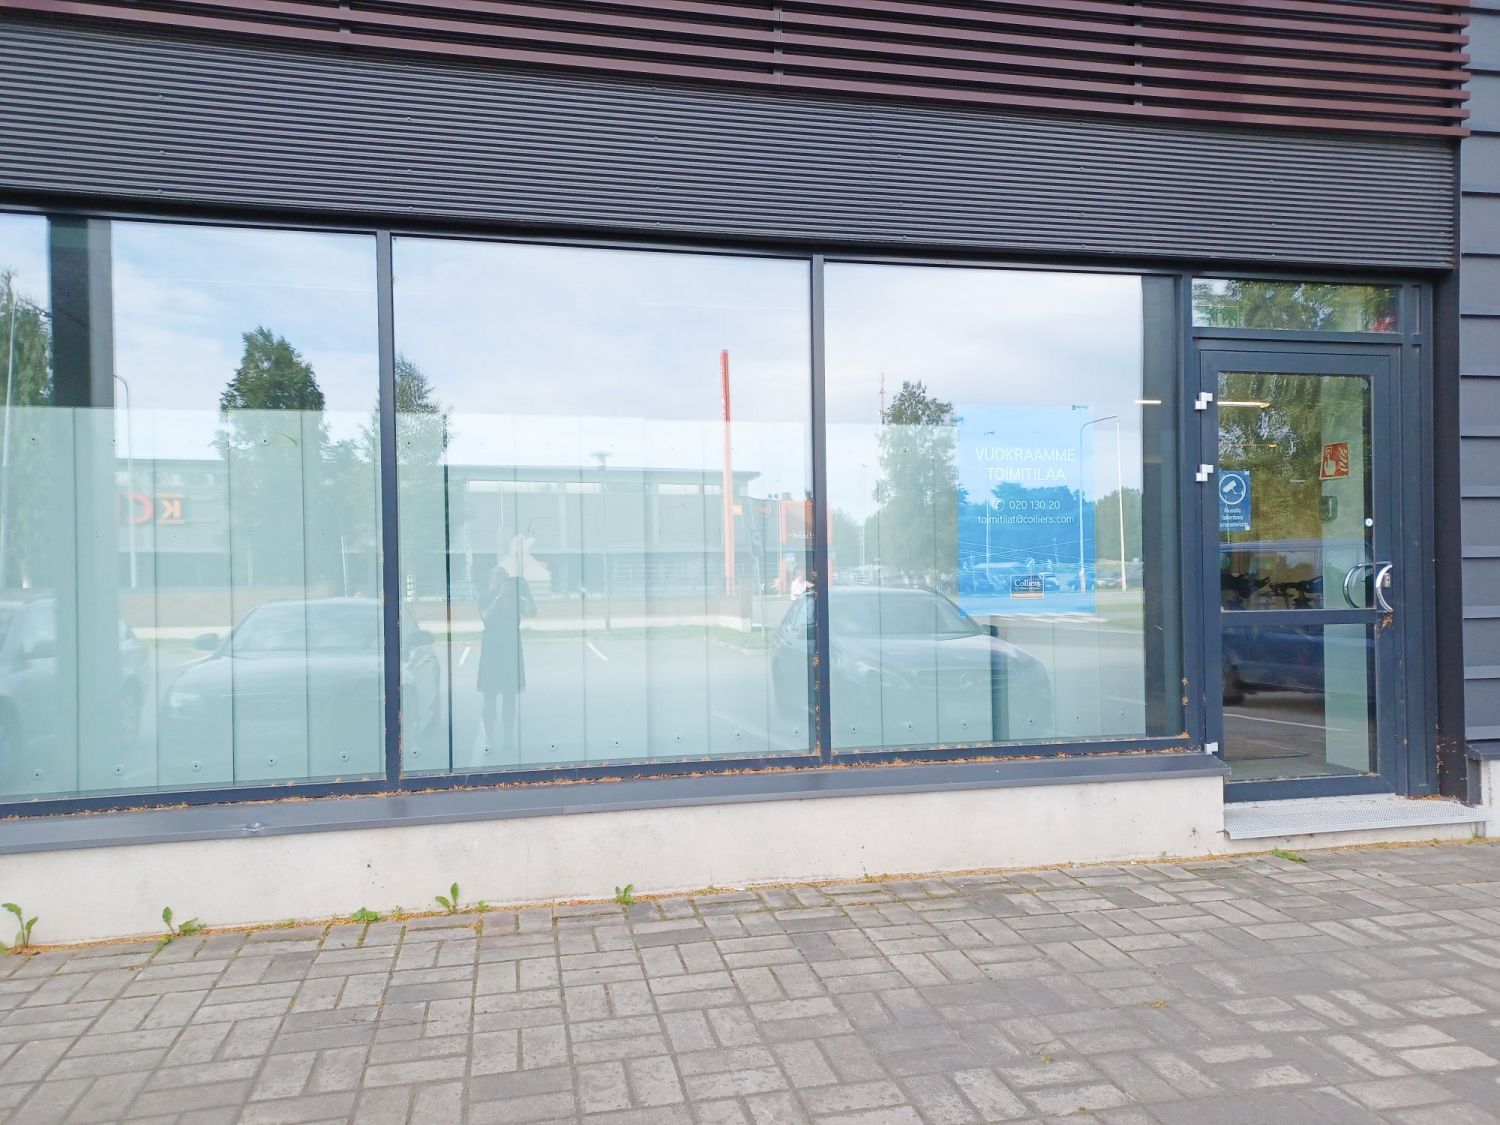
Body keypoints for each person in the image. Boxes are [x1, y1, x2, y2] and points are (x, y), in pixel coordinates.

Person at [478, 564, 535, 753]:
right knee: (490, 695)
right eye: (499, 575)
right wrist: (500, 596)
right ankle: (490, 737)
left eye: (505, 575)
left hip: (511, 648)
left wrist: (527, 592)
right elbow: (486, 618)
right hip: (492, 649)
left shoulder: (515, 598)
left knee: (510, 695)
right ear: (491, 577)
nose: (503, 578)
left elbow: (532, 612)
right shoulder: (486, 596)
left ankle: (508, 736)